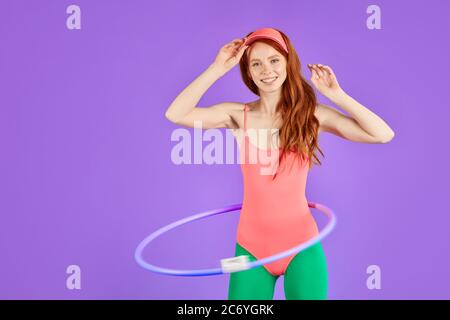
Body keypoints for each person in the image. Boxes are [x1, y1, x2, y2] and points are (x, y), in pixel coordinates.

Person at [165, 27, 395, 300]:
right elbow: (175, 114)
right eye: (256, 64)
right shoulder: (238, 115)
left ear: (288, 62)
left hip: (301, 246)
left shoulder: (312, 116)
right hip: (250, 249)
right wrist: (217, 68)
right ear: (248, 72)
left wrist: (337, 95)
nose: (267, 70)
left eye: (274, 60)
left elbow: (382, 134)